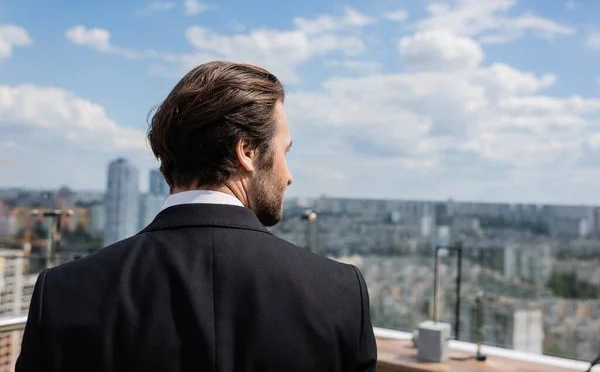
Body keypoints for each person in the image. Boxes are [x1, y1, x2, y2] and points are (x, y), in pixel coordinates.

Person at [16, 61, 378, 371]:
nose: (289, 175)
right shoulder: (339, 292)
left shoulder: (63, 293)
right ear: (247, 152)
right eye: (285, 152)